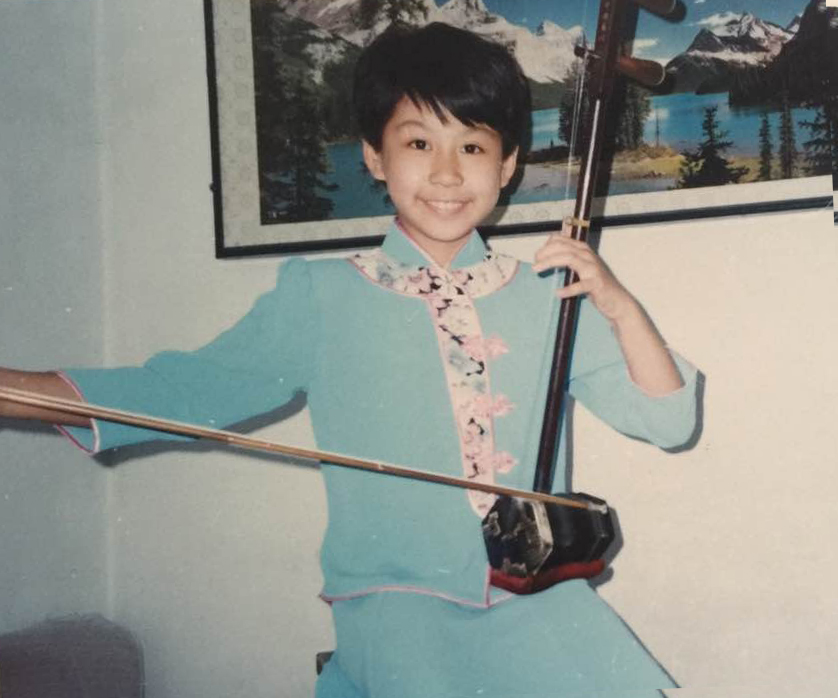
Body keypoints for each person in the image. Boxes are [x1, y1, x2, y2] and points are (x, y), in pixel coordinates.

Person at [0, 22, 699, 698]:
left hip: (541, 607)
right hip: (400, 616)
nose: (447, 173)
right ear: (374, 157)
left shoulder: (551, 293)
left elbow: (668, 421)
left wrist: (619, 305)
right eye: (418, 142)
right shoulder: (320, 294)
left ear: (508, 164)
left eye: (473, 146)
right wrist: (17, 390)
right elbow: (183, 392)